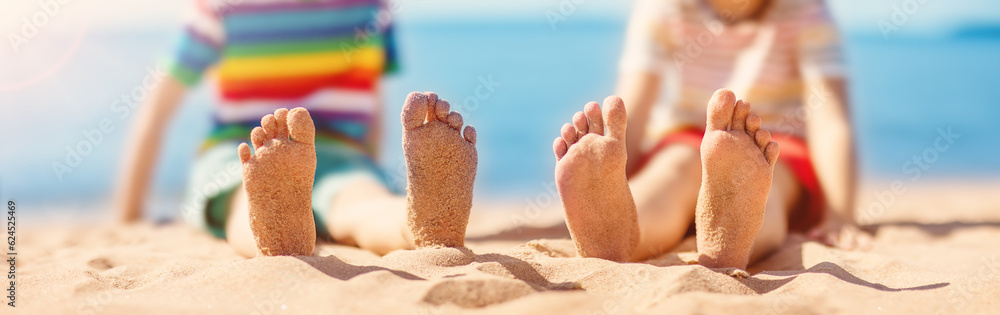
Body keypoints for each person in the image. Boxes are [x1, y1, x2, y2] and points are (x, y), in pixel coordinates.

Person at [114, 0, 479, 257]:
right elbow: (373, 107)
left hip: (246, 148)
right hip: (343, 153)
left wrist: (129, 214)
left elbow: (156, 111)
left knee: (244, 201)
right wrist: (369, 162)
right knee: (360, 203)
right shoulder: (369, 7)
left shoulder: (221, 8)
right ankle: (413, 224)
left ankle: (271, 234)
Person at [551, 0, 872, 269]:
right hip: (687, 138)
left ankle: (730, 237)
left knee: (762, 179)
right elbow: (632, 107)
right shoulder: (666, 8)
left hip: (775, 145)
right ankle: (618, 234)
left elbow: (830, 120)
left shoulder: (804, 11)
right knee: (670, 171)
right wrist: (612, 174)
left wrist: (839, 215)